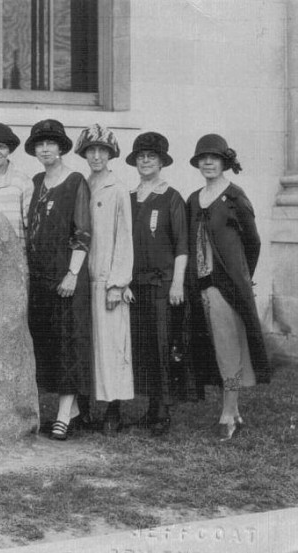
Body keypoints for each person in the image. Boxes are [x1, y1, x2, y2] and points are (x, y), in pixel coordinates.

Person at [186, 134, 270, 441]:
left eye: (214, 158)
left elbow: (253, 241)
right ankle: (233, 411)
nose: (208, 162)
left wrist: (241, 276)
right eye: (203, 158)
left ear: (224, 162)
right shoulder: (194, 199)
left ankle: (227, 413)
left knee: (228, 347)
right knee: (214, 348)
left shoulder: (235, 196)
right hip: (201, 286)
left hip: (227, 287)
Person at [24, 119, 92, 441]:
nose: (45, 149)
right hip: (39, 277)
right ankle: (64, 409)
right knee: (45, 344)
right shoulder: (36, 181)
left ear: (61, 147)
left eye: (51, 143)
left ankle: (65, 415)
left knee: (68, 345)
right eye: (40, 144)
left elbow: (82, 232)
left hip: (66, 276)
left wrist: (73, 273)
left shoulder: (76, 181)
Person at [122, 132, 190, 436]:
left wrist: (177, 283)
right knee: (144, 345)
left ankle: (163, 410)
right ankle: (151, 407)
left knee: (162, 345)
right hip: (135, 285)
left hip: (163, 283)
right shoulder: (130, 197)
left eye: (151, 156)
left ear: (161, 161)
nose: (146, 161)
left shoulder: (171, 197)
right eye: (141, 156)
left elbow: (182, 246)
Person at [75, 124, 134, 435]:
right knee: (87, 345)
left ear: (110, 154)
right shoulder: (82, 185)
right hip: (85, 280)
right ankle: (83, 409)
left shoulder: (117, 188)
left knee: (112, 345)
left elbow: (124, 238)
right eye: (91, 150)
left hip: (108, 280)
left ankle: (113, 409)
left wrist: (117, 283)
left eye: (102, 150)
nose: (96, 156)